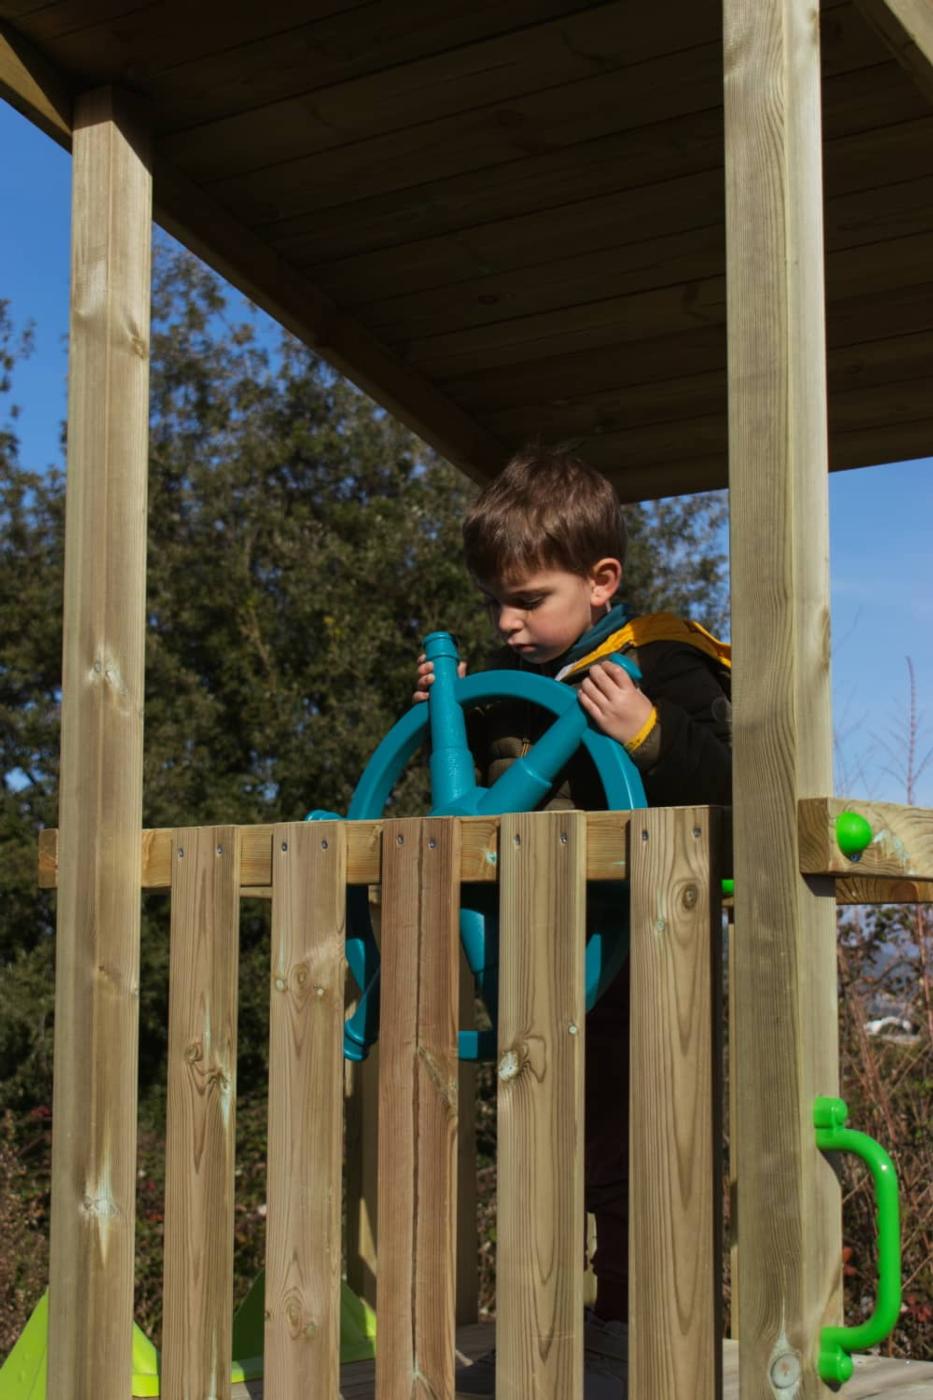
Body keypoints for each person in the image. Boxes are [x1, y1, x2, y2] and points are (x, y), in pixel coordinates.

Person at [414, 447, 732, 1399]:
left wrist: (651, 734)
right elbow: (473, 799)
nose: (508, 623)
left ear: (602, 584)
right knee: (549, 1128)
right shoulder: (521, 680)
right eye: (494, 603)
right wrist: (448, 723)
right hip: (545, 949)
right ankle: (561, 1312)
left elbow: (736, 791)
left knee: (645, 1137)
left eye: (528, 599)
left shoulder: (666, 664)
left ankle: (637, 1321)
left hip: (648, 950)